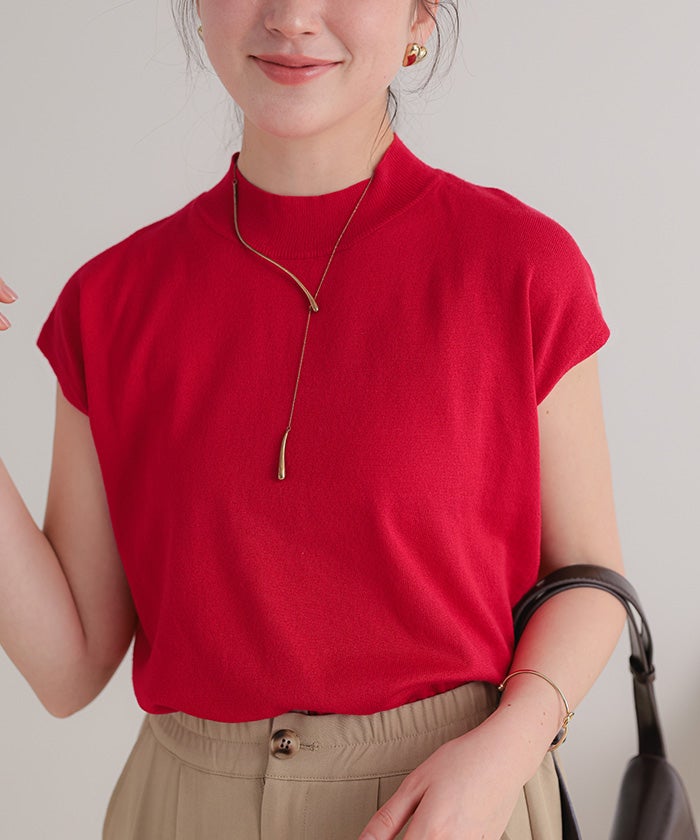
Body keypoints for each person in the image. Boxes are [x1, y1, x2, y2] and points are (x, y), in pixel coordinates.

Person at [0, 1, 628, 838]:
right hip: (184, 810)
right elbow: (68, 667)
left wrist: (510, 748)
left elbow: (588, 576)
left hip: (451, 802)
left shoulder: (519, 268)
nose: (293, 17)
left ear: (420, 19)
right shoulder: (109, 302)